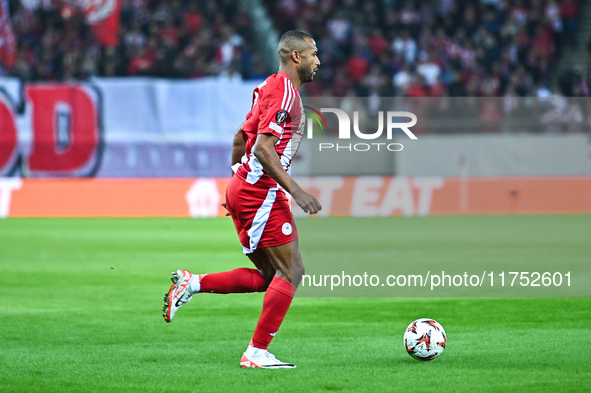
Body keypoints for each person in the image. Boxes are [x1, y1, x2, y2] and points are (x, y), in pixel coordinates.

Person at [162, 30, 322, 369]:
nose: (317, 61)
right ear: (296, 57)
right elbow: (263, 148)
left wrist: (239, 177)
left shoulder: (268, 87)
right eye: (312, 54)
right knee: (292, 270)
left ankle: (192, 283)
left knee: (270, 276)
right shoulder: (286, 97)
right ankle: (256, 353)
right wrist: (296, 191)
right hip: (261, 192)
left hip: (246, 188)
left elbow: (241, 136)